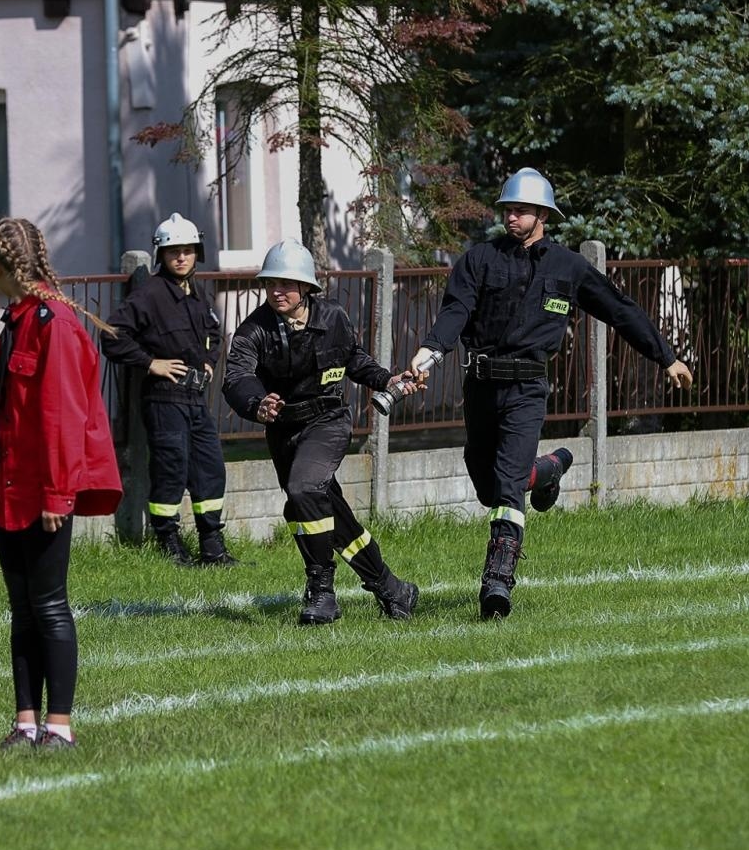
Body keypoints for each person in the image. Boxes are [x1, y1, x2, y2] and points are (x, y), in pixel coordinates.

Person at [409, 167, 692, 620]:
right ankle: (549, 469)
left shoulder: (569, 267)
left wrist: (667, 357)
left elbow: (620, 310)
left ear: (543, 214)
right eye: (507, 209)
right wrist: (429, 352)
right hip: (481, 386)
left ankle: (497, 582)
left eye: (520, 210)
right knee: (489, 483)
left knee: (506, 490)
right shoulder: (479, 259)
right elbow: (455, 312)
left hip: (527, 389)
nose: (511, 216)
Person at [223, 238, 422, 625]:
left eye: (286, 283)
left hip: (327, 422)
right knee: (321, 509)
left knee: (303, 491)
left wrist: (386, 379)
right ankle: (392, 588)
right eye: (271, 283)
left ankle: (322, 593)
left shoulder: (333, 318)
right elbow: (236, 378)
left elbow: (354, 360)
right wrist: (258, 403)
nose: (277, 291)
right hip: (282, 430)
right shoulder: (253, 330)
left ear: (306, 288)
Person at [0, 216, 122, 750]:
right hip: (10, 490)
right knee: (21, 608)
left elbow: (63, 416)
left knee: (49, 605)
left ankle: (59, 725)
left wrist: (60, 493)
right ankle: (24, 721)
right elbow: (2, 416)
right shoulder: (16, 319)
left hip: (43, 493)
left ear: (0, 267)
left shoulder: (52, 323)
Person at [101, 212, 238, 567]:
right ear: (161, 255)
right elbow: (112, 337)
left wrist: (209, 359)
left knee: (210, 467)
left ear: (197, 253)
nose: (181, 257)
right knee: (171, 468)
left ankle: (212, 545)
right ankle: (168, 542)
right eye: (174, 251)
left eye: (188, 250)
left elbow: (214, 334)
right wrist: (151, 363)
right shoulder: (148, 295)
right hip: (164, 399)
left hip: (196, 398)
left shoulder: (198, 294)